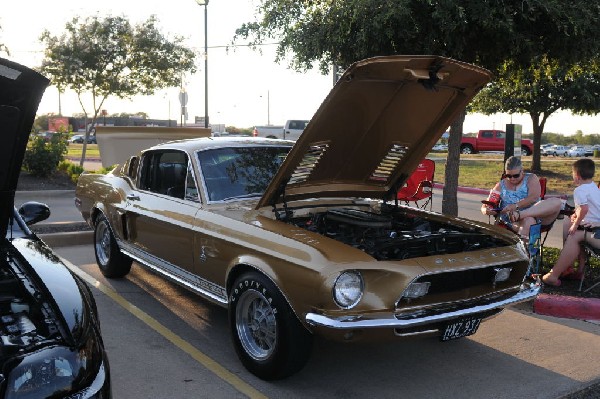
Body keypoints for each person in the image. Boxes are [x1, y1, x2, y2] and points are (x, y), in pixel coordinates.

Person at [542, 158, 600, 286]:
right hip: (594, 227)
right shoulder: (595, 188)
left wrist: (576, 223)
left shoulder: (579, 190)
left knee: (574, 234)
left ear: (577, 176)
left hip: (595, 230)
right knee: (569, 223)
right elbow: (587, 208)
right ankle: (576, 268)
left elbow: (584, 208)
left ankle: (554, 274)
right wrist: (575, 215)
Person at [480, 156, 561, 238]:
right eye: (508, 175)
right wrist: (486, 210)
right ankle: (524, 250)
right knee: (529, 221)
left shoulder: (531, 178)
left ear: (522, 171)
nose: (512, 179)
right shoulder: (501, 185)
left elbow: (533, 197)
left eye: (515, 175)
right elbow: (487, 204)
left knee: (557, 202)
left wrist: (515, 206)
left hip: (535, 214)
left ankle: (520, 214)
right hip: (512, 221)